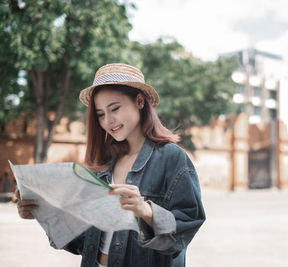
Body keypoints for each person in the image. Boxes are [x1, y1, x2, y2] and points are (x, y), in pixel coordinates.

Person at [16, 63, 206, 267]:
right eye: (100, 114)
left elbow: (187, 226)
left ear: (140, 101)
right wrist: (44, 212)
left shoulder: (172, 158)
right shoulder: (101, 165)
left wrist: (146, 211)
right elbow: (84, 241)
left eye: (114, 108)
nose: (108, 121)